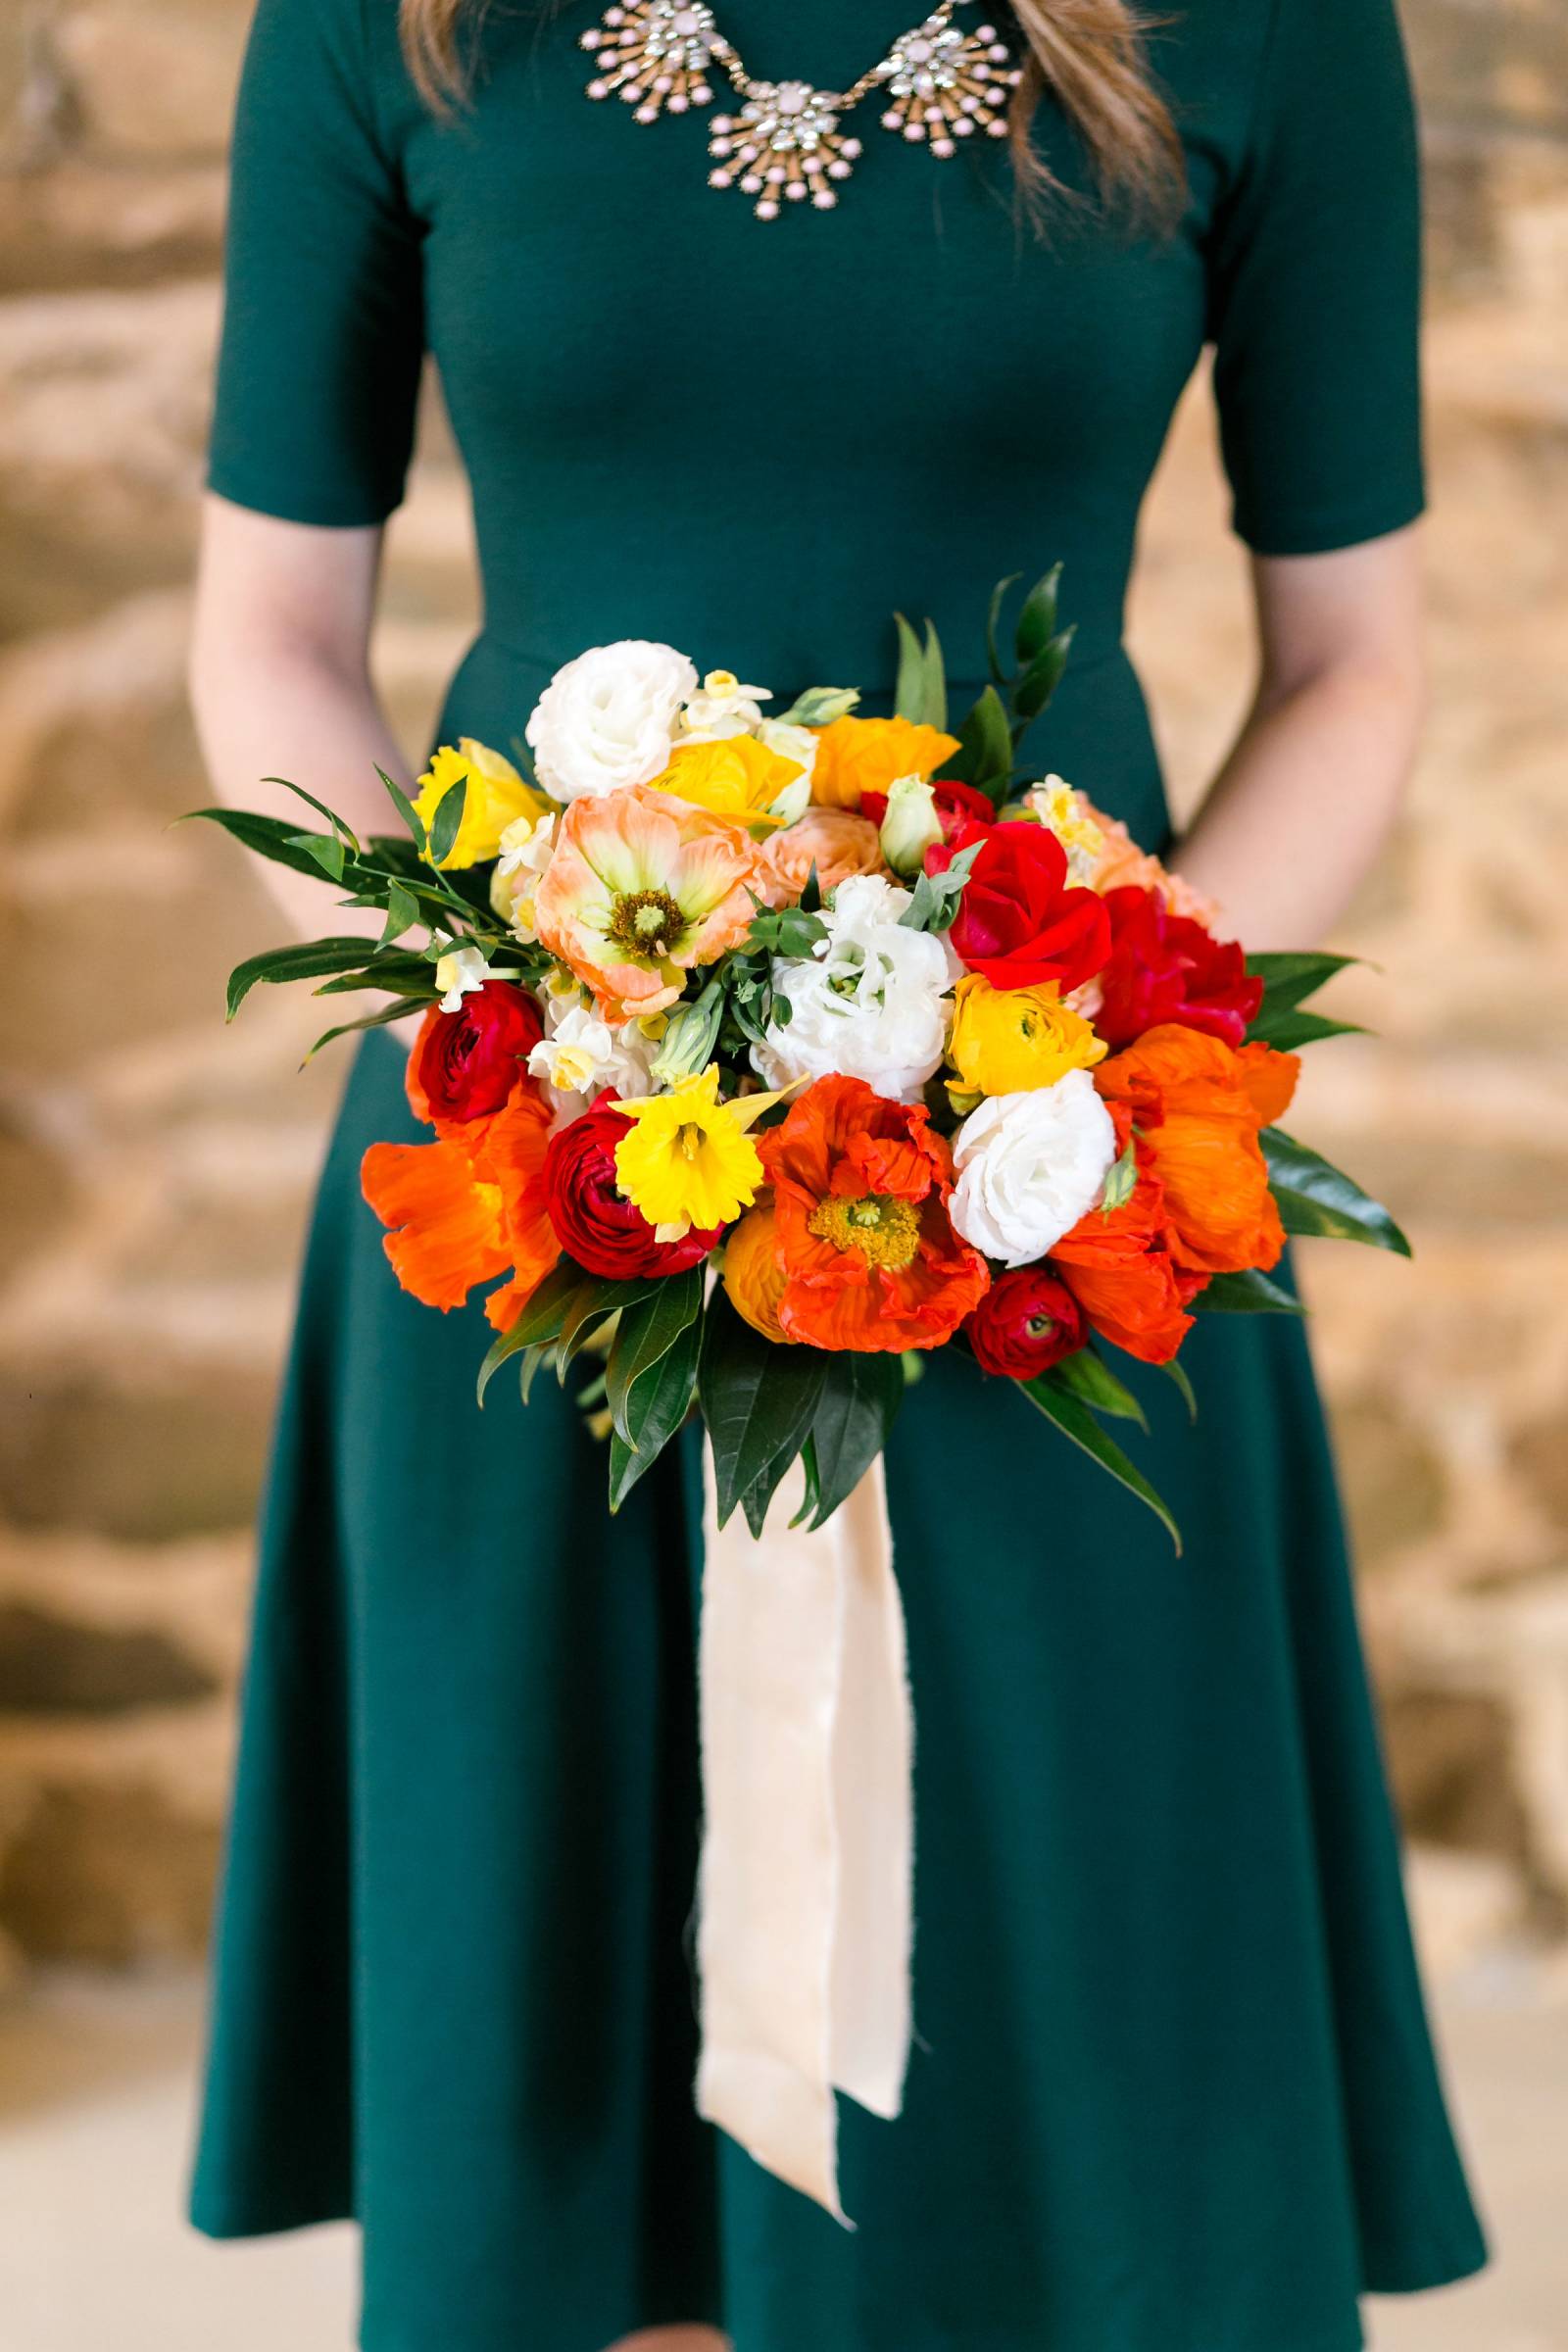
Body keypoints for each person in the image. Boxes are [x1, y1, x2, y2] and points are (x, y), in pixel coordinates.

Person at [186, 3, 1488, 2347]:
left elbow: (1352, 665)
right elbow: (272, 641)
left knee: (1077, 2075)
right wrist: (524, 1046)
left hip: (1040, 1208)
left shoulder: (1267, 28)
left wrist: (1086, 1081)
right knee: (563, 2089)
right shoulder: (388, 28)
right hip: (536, 1202)